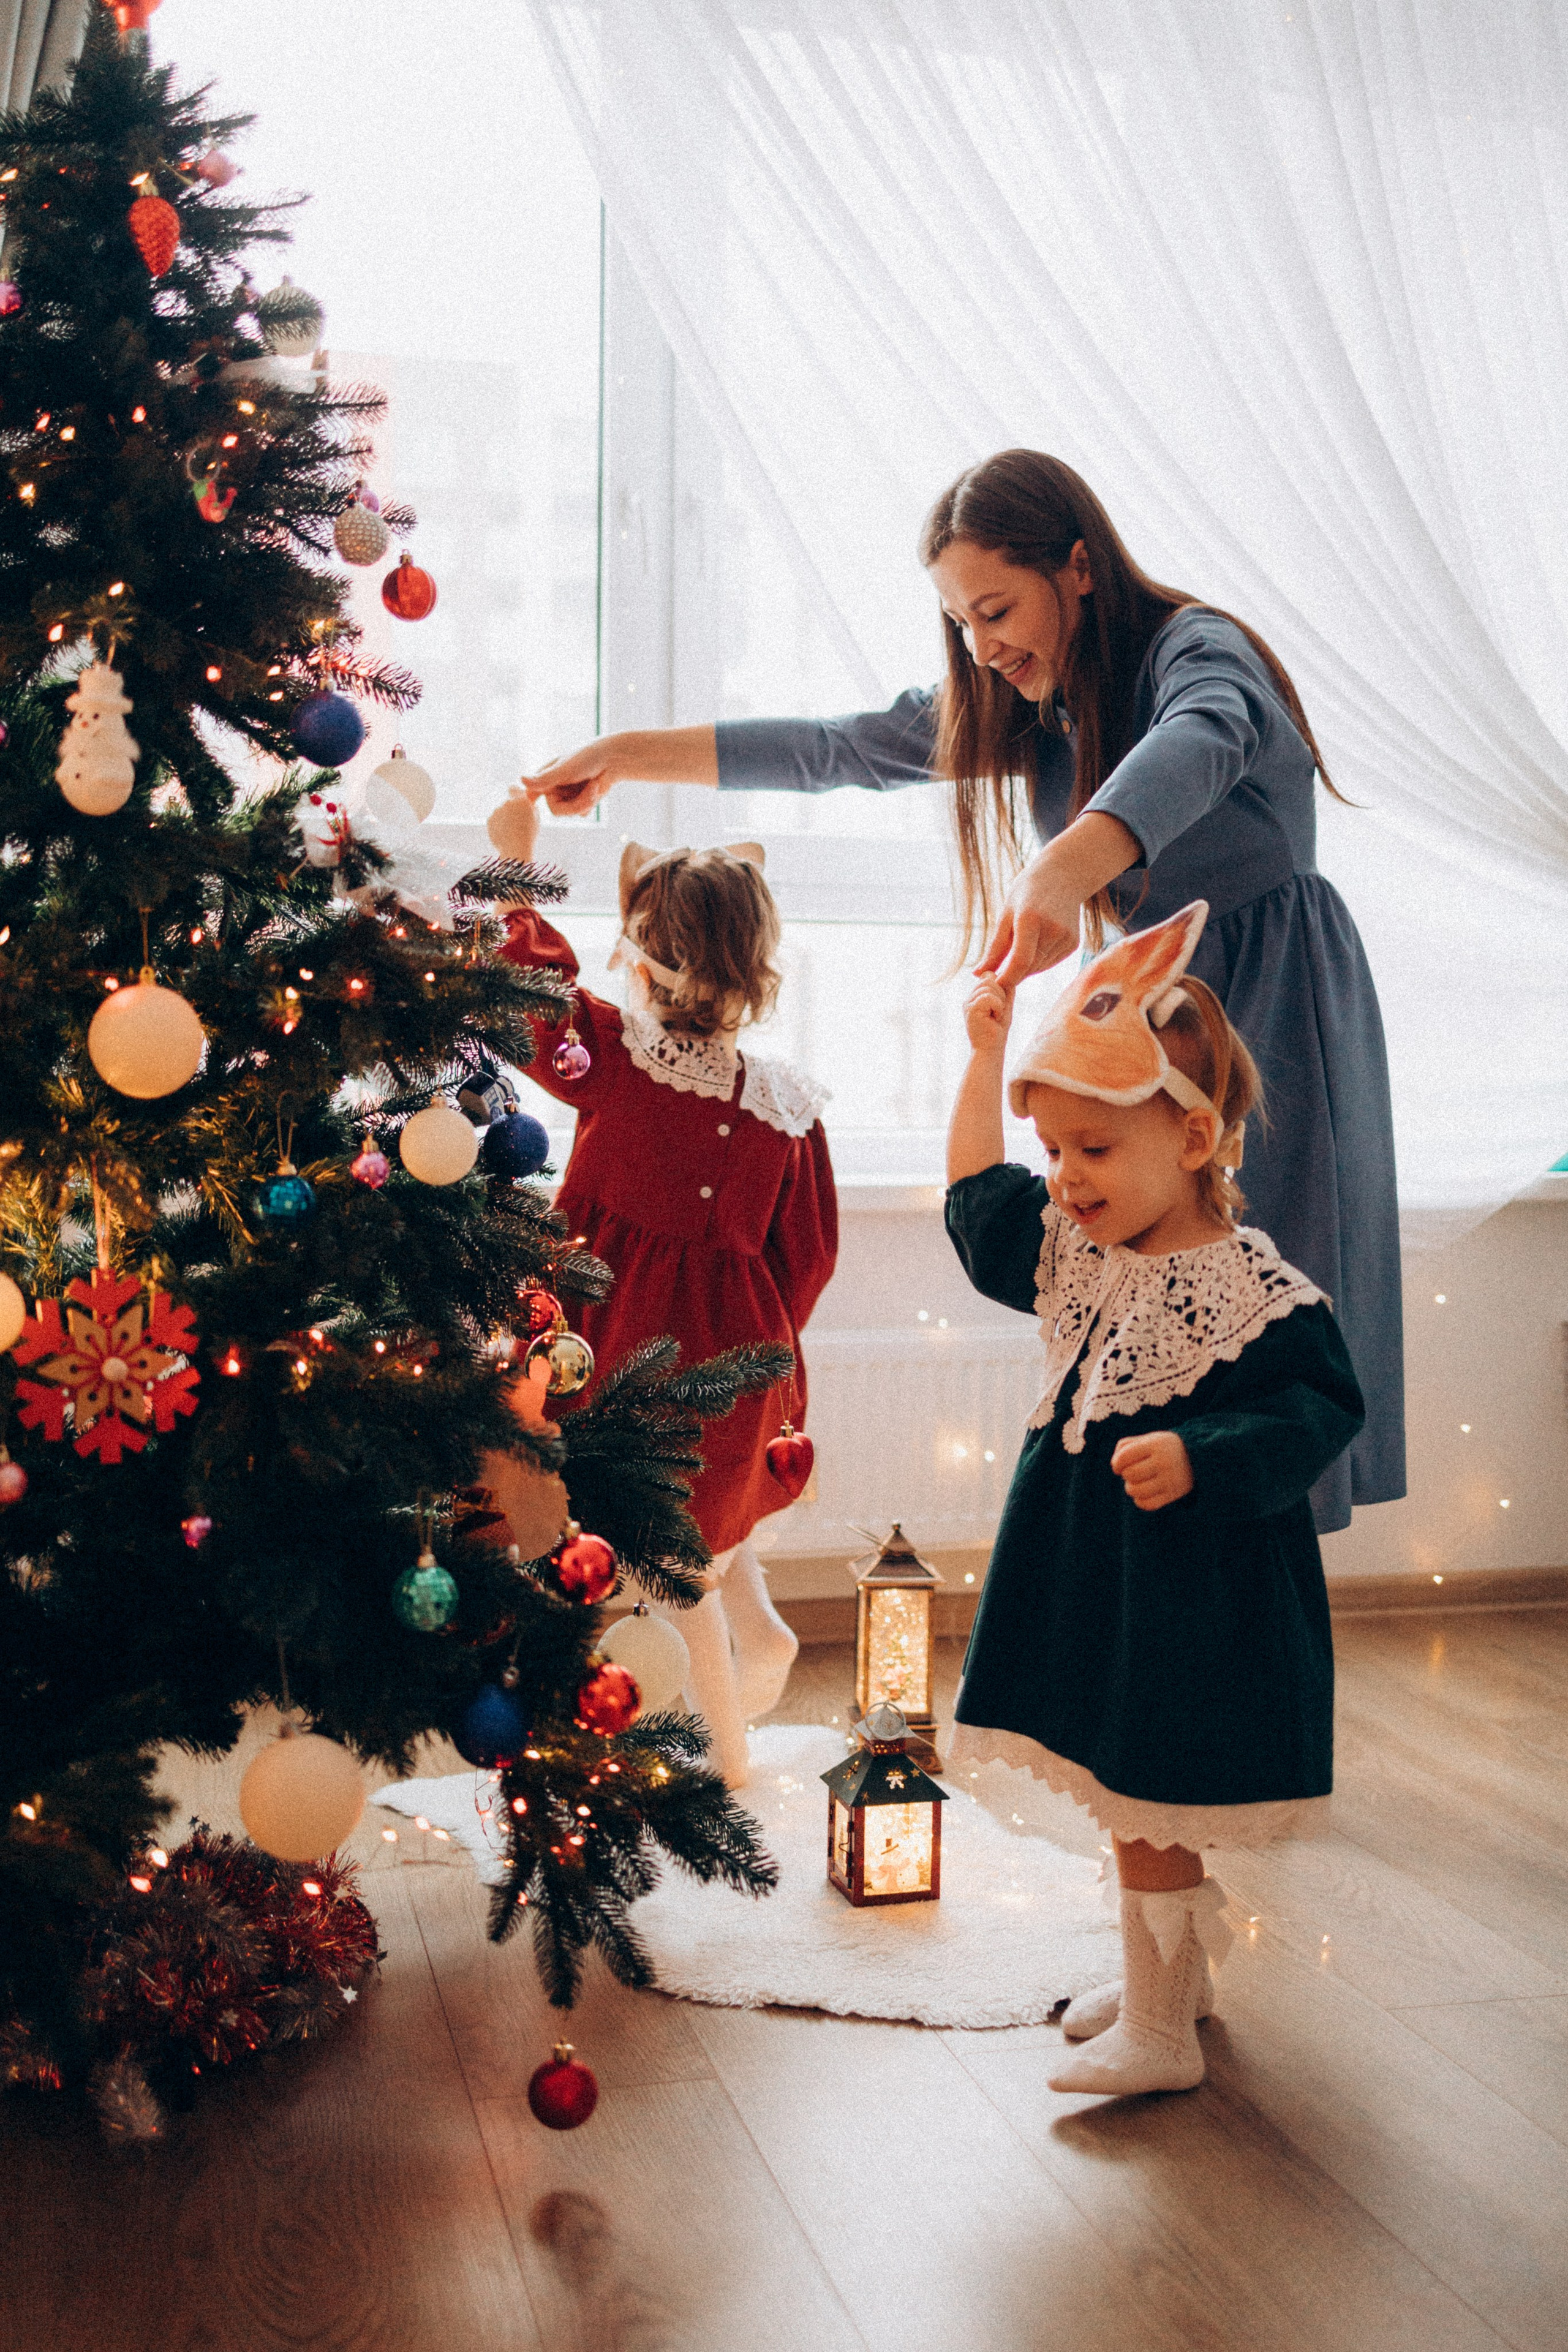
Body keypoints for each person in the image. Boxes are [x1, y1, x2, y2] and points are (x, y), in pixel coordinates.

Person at [521, 448, 1402, 1534]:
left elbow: (1201, 741)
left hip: (1268, 1009)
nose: (985, 649)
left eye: (997, 610)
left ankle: (1251, 1636)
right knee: (1133, 1335)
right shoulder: (1023, 702)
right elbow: (840, 747)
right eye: (963, 626)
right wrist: (628, 752)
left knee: (1259, 1358)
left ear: (1079, 566)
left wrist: (1064, 867)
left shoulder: (1197, 652)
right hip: (1137, 1030)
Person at [944, 900, 1363, 2098]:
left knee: (1151, 1804)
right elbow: (978, 1208)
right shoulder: (1085, 1255)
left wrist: (1200, 1453)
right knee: (1125, 1795)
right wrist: (982, 1061)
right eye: (1057, 1151)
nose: (1065, 1181)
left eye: (1093, 1151)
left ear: (1187, 1143)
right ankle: (1167, 1982)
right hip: (1098, 1581)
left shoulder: (1247, 1288)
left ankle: (1160, 2036)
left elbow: (1313, 1412)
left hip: (1196, 1602)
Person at [497, 800, 837, 1787]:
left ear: (644, 959)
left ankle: (728, 1762)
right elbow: (807, 1259)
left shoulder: (613, 1055)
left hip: (607, 1350)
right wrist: (765, 1361)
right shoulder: (785, 1106)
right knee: (708, 1542)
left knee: (655, 1572)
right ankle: (763, 1638)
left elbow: (531, 993)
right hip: (739, 1373)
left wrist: (514, 866)